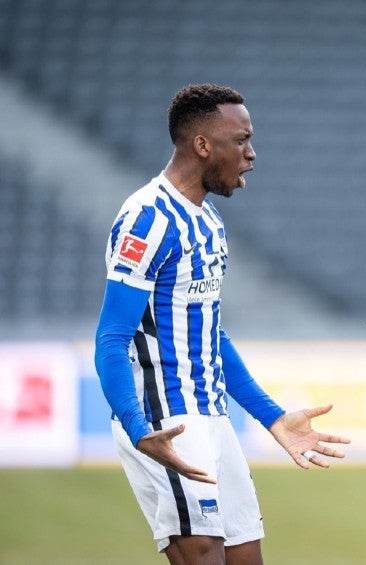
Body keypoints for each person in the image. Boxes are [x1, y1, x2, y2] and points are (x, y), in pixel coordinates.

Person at [94, 83, 351, 564]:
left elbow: (208, 333)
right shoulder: (146, 219)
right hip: (165, 418)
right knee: (206, 555)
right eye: (242, 140)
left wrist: (271, 415)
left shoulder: (208, 220)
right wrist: (137, 426)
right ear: (203, 145)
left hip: (213, 417)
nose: (251, 154)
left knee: (247, 556)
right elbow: (111, 337)